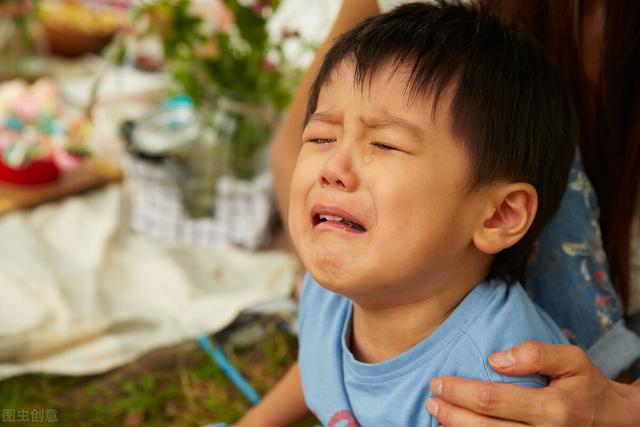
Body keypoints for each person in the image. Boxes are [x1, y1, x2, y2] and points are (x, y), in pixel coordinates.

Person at [266, 0, 640, 425]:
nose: (333, 169)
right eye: (320, 138)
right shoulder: (330, 293)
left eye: (384, 144)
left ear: (498, 215)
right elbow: (322, 358)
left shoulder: (495, 386)